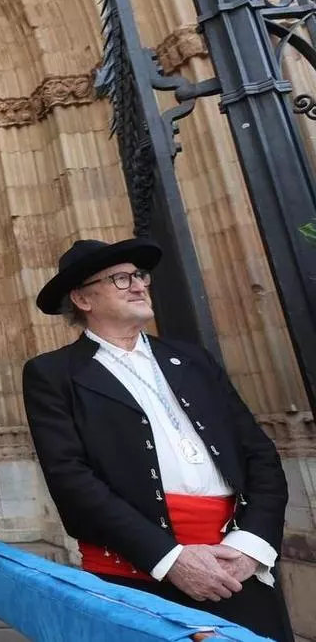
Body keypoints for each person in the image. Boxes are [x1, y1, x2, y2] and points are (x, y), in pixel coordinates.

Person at [23, 238, 293, 641]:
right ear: (82, 298)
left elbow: (260, 456)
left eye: (140, 275)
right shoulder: (54, 373)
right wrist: (169, 558)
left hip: (235, 566)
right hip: (138, 574)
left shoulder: (194, 360)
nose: (138, 285)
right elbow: (71, 479)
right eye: (120, 279)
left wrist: (250, 547)